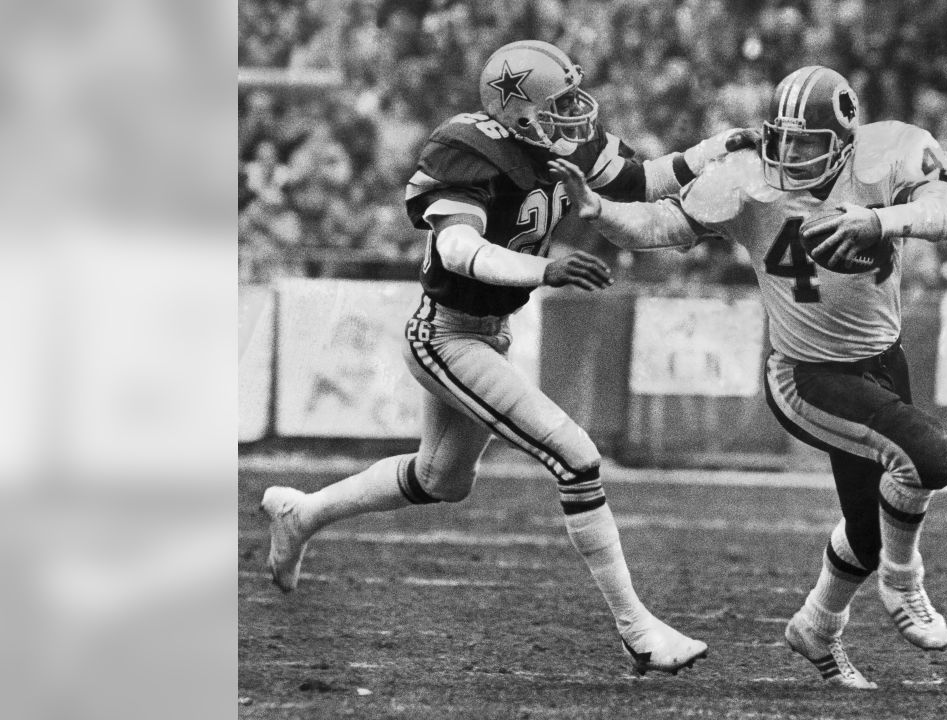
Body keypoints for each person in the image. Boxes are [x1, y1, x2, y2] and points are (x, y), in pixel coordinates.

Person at [259, 40, 752, 676]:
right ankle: (639, 631)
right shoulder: (465, 148)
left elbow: (642, 180)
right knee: (577, 458)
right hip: (445, 336)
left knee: (442, 479)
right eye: (559, 102)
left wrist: (718, 147)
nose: (575, 114)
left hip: (487, 333)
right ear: (516, 109)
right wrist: (545, 268)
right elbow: (462, 250)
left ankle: (303, 514)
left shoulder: (555, 137)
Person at [550, 65, 947, 689]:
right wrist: (597, 210)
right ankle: (903, 579)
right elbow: (662, 227)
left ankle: (817, 627)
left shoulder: (890, 151)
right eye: (783, 138)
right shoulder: (747, 180)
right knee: (927, 457)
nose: (790, 154)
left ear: (847, 137)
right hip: (805, 373)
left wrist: (881, 221)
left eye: (808, 142)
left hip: (882, 358)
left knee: (866, 527)